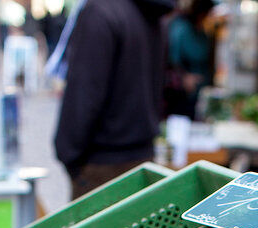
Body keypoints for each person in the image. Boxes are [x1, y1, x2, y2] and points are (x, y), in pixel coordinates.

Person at [53, 0, 174, 199]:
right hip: (141, 160)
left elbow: (84, 95)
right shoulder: (151, 14)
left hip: (101, 167)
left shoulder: (101, 11)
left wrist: (69, 155)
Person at [163, 0, 214, 120]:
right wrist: (184, 77)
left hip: (198, 93)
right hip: (180, 94)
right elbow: (172, 58)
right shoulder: (181, 28)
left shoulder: (202, 33)